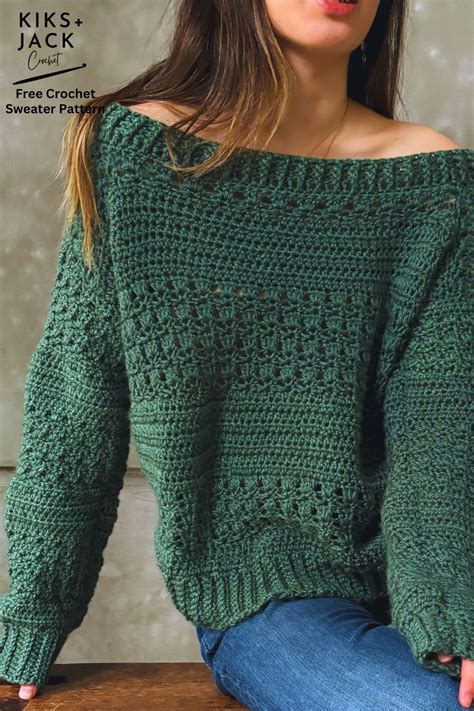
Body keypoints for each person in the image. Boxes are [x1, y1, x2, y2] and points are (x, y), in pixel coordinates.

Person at [0, 0, 472, 707]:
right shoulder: (138, 159)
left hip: (437, 580)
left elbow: (438, 428)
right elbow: (75, 407)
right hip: (269, 600)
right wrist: (33, 615)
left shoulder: (435, 181)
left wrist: (452, 615)